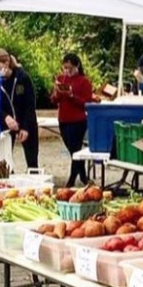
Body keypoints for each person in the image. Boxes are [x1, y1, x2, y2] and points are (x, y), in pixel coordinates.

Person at [0, 48, 39, 170]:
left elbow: (30, 105)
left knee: (32, 160)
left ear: (6, 63)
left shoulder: (23, 78)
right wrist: (5, 117)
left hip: (25, 121)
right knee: (3, 161)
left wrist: (26, 127)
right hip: (6, 124)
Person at [51, 52, 94, 186]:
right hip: (63, 119)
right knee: (73, 151)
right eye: (65, 68)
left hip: (78, 121)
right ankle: (83, 177)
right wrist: (58, 92)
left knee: (75, 150)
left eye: (70, 68)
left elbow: (87, 103)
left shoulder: (84, 81)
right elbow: (53, 100)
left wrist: (71, 96)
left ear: (77, 66)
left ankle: (71, 180)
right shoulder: (61, 79)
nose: (67, 71)